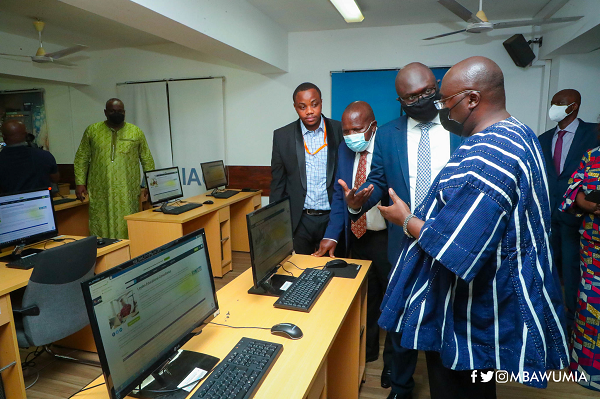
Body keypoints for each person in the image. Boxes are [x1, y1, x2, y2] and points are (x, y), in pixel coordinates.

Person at [377, 56, 568, 398]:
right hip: (495, 296)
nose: (442, 110)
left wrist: (405, 219)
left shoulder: (489, 152)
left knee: (458, 388)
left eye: (445, 101)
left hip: (472, 310)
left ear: (472, 99)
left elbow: (457, 247)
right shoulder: (519, 133)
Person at [340, 63, 461, 398]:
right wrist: (357, 202)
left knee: (446, 315)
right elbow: (379, 182)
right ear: (400, 100)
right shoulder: (390, 134)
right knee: (403, 319)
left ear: (436, 87)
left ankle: (447, 385)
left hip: (449, 240)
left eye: (426, 92)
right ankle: (401, 385)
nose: (421, 99)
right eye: (412, 97)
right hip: (403, 243)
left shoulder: (459, 126)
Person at [312, 101, 394, 385]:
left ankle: (392, 365)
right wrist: (332, 234)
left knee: (392, 302)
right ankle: (367, 353)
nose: (350, 136)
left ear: (372, 126)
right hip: (357, 237)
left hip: (387, 236)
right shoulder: (345, 150)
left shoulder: (389, 145)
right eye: (346, 130)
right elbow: (340, 196)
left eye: (356, 129)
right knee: (366, 299)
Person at [538, 89, 599, 331]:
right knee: (546, 267)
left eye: (559, 103)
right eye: (553, 103)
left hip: (579, 217)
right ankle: (547, 317)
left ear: (573, 106)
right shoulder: (544, 138)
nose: (554, 107)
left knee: (574, 271)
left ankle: (573, 322)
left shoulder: (592, 134)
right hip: (549, 216)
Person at [270, 83, 343, 255]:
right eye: (302, 107)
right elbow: (278, 184)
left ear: (321, 103)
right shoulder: (282, 136)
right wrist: (276, 224)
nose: (309, 111)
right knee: (299, 270)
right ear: (295, 107)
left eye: (314, 104)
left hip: (332, 218)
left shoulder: (339, 130)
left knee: (334, 270)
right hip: (299, 220)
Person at [74, 98, 155, 239]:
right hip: (100, 190)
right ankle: (103, 252)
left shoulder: (135, 132)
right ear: (105, 112)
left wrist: (150, 183)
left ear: (124, 112)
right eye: (112, 111)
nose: (116, 113)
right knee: (100, 223)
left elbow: (147, 159)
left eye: (120, 111)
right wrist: (80, 182)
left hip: (127, 191)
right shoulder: (92, 131)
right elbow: (82, 157)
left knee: (128, 224)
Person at [559, 141, 600, 392]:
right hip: (593, 250)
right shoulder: (592, 156)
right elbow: (573, 194)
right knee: (590, 308)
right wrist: (593, 206)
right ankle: (587, 371)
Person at [0, 120, 59, 194]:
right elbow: (55, 179)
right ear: (26, 135)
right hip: (42, 201)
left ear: (4, 137)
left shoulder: (2, 159)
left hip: (10, 204)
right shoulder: (44, 156)